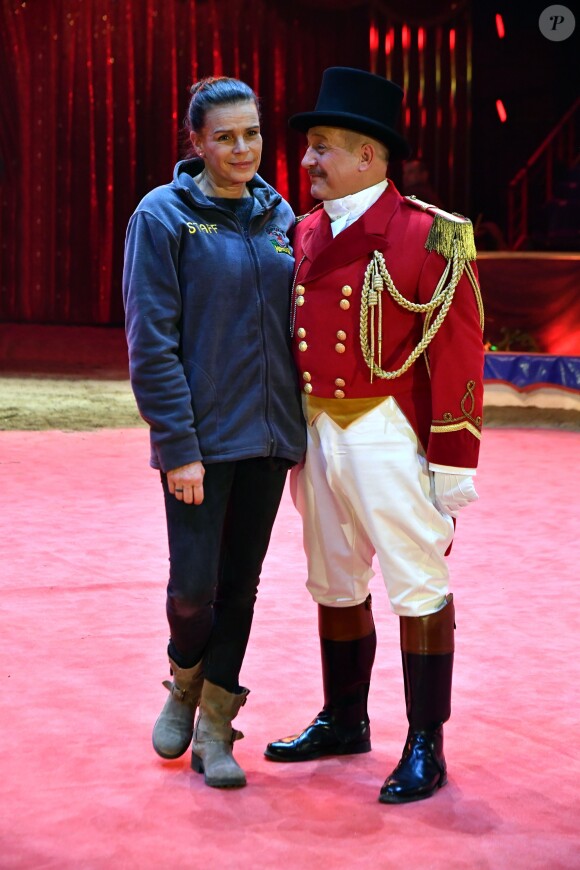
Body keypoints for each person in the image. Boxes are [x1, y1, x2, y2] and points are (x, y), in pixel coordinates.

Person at [264, 67, 484, 804]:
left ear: (367, 154)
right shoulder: (304, 230)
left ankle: (426, 742)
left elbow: (458, 353)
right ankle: (344, 718)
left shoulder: (431, 234)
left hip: (389, 431)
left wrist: (453, 458)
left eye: (321, 146)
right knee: (333, 579)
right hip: (317, 428)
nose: (308, 160)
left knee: (417, 582)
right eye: (310, 146)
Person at [122, 76, 306, 789]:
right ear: (195, 141)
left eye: (252, 133)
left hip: (270, 438)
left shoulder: (280, 215)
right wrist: (178, 448)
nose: (242, 149)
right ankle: (184, 683)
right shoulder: (162, 215)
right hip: (200, 443)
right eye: (224, 136)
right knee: (194, 590)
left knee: (241, 587)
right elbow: (151, 341)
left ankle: (216, 728)